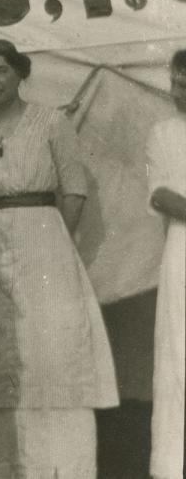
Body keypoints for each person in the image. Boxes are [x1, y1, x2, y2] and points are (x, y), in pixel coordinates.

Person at [0, 39, 117, 478]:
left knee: (53, 352)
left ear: (19, 72)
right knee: (6, 355)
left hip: (45, 242)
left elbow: (74, 189)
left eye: (1, 70)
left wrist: (52, 243)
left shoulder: (51, 122)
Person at [146, 49, 186, 479]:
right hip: (183, 250)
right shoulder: (162, 132)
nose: (181, 92)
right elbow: (161, 194)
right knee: (180, 354)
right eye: (177, 83)